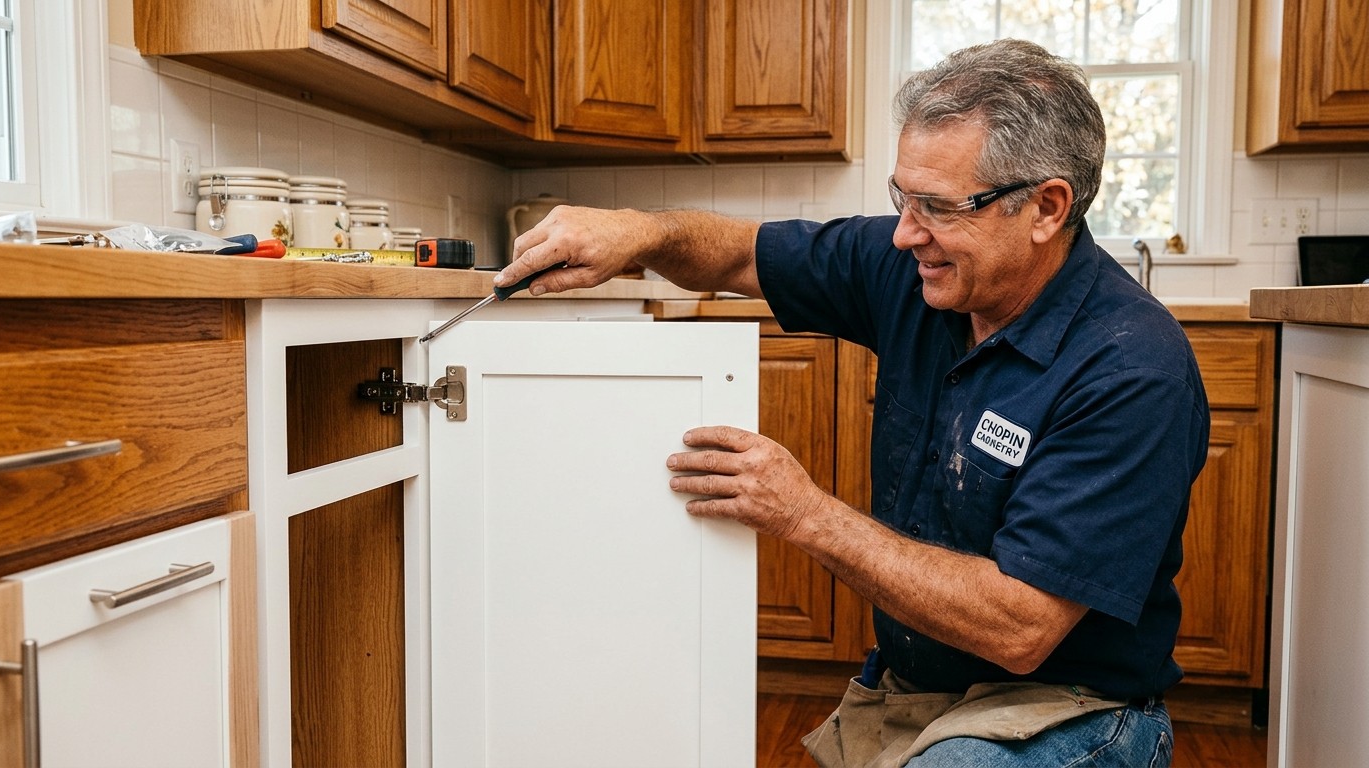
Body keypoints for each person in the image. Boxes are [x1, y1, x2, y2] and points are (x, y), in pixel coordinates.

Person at [496, 38, 1208, 768]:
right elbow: (741, 254)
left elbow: (1019, 629)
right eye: (903, 198)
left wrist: (804, 513)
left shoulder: (1130, 368)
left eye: (937, 207)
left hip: (1071, 707)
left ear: (1046, 208)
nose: (906, 233)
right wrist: (642, 232)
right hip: (915, 692)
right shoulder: (916, 270)